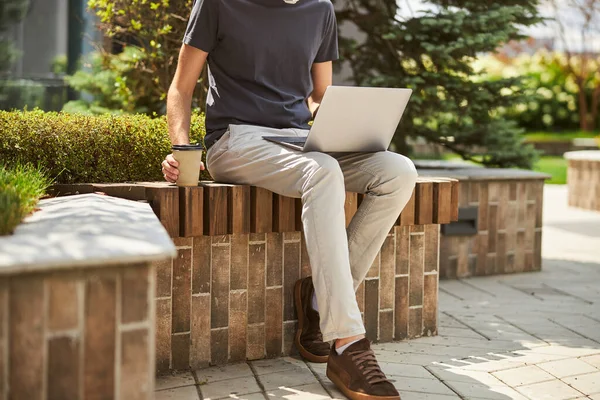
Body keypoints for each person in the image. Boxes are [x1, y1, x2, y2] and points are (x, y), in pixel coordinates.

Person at [161, 0, 417, 398]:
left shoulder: (320, 10)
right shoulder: (217, 4)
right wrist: (182, 149)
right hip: (235, 140)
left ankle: (317, 298)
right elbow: (181, 88)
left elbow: (319, 95)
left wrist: (340, 122)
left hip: (297, 141)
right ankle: (348, 342)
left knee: (398, 171)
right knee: (323, 171)